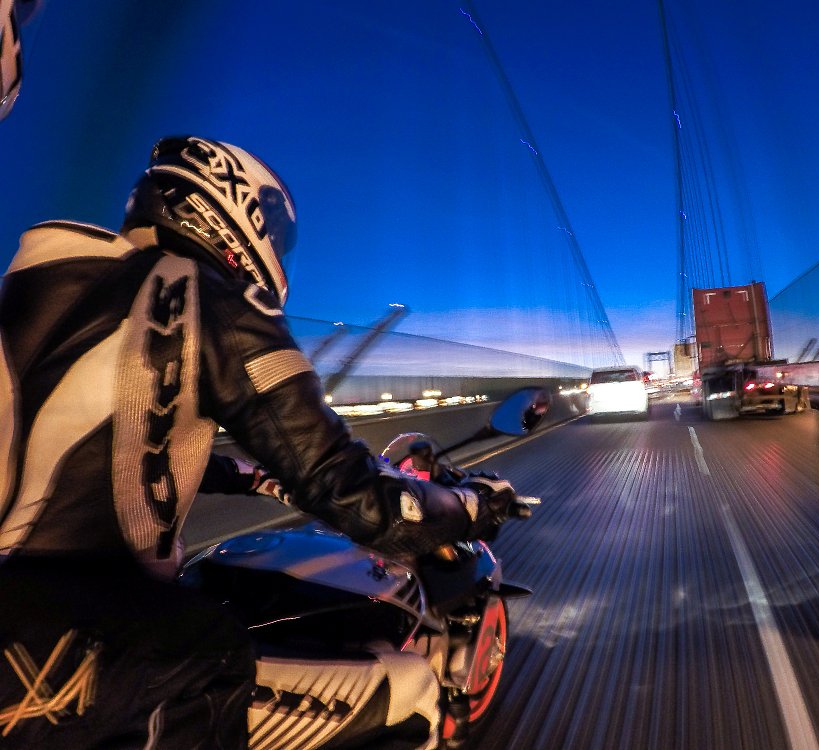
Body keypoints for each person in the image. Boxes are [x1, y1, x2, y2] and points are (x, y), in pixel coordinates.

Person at [0, 135, 519, 748]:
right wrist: (471, 508)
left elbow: (94, 441)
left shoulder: (34, 288)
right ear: (238, 211)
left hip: (23, 624)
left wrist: (247, 475)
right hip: (76, 657)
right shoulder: (212, 297)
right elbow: (355, 494)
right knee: (408, 694)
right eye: (275, 231)